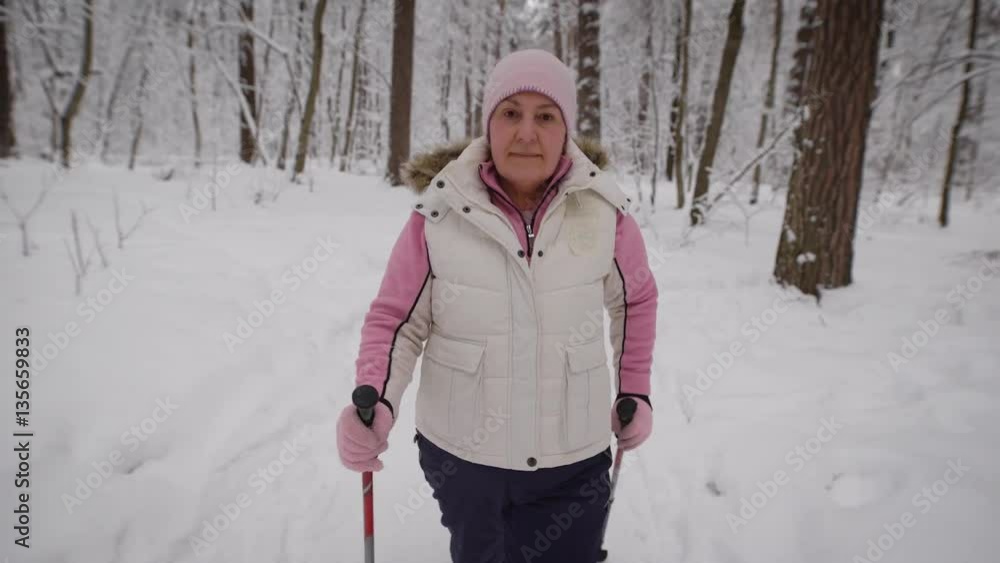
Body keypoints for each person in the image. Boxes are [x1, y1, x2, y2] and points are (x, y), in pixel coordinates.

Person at [336, 49, 658, 563]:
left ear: (566, 129)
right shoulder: (438, 212)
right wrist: (377, 399)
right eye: (511, 112)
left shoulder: (604, 213)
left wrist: (635, 391)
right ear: (489, 124)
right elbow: (397, 319)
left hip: (573, 456)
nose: (527, 132)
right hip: (464, 458)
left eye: (545, 116)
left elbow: (635, 299)